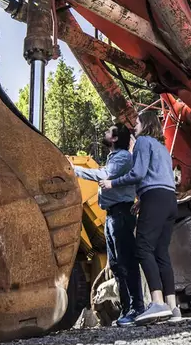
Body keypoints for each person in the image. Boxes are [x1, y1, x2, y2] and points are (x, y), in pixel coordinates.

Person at [102, 108, 182, 325]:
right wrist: (142, 200)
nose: (134, 125)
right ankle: (173, 307)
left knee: (143, 248)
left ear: (145, 124)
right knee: (161, 253)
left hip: (155, 198)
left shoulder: (144, 141)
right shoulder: (162, 148)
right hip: (168, 200)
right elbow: (160, 177)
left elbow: (138, 173)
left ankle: (157, 303)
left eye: (137, 122)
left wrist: (112, 183)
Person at [72, 124, 144, 327]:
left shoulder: (121, 157)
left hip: (121, 213)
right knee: (116, 265)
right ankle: (127, 308)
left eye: (108, 132)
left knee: (126, 262)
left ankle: (137, 308)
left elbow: (103, 176)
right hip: (113, 215)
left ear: (114, 138)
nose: (104, 133)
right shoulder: (115, 157)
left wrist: (72, 169)